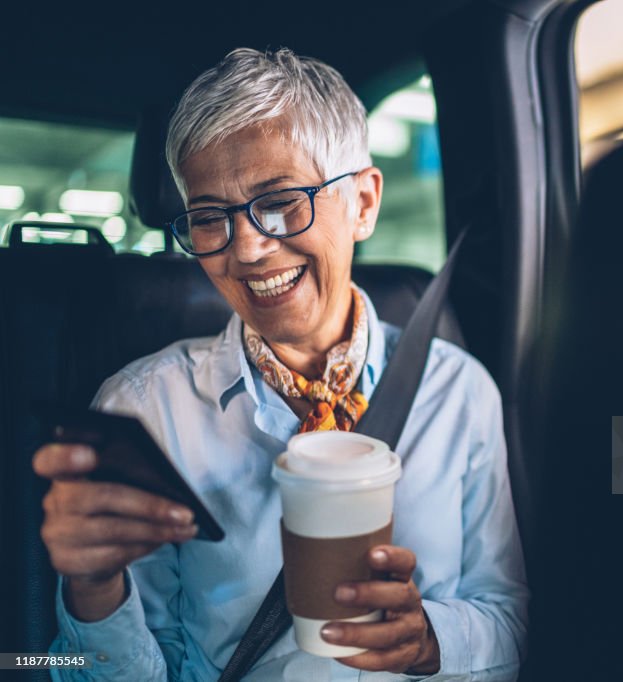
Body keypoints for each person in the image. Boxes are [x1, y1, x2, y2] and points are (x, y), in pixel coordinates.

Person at [32, 47, 528, 681]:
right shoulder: (147, 410)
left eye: (283, 200)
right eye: (209, 218)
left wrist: (434, 640)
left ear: (364, 204)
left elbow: (510, 614)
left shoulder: (458, 390)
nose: (248, 248)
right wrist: (94, 590)